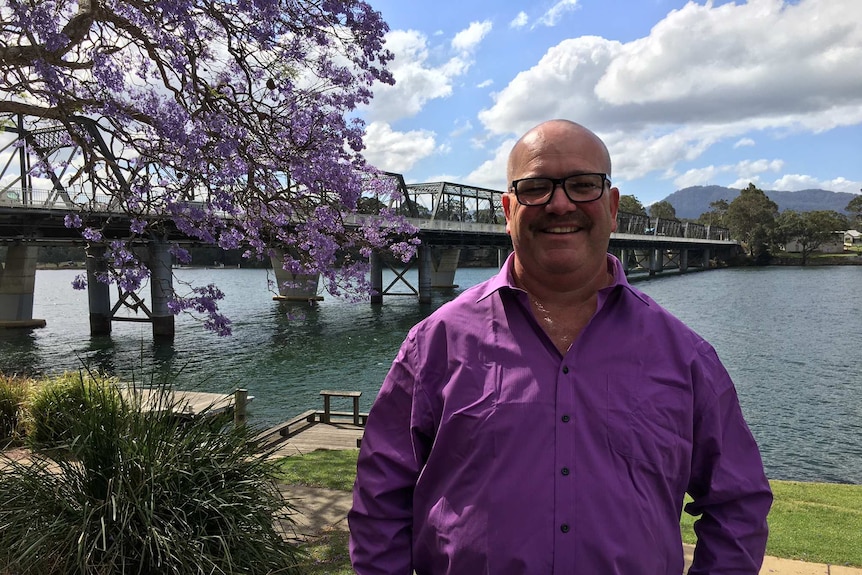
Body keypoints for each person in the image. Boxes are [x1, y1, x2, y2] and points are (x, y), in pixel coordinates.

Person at [348, 119, 772, 574]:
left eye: (583, 185)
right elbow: (380, 500)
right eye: (535, 188)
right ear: (508, 210)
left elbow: (737, 504)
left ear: (611, 206)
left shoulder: (685, 356)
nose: (560, 204)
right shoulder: (435, 344)